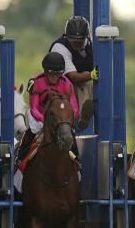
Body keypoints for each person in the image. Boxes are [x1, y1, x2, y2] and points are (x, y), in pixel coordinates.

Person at [14, 52, 80, 191]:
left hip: (59, 117)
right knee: (33, 129)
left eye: (58, 74)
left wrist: (65, 119)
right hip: (40, 116)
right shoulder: (36, 82)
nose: (55, 77)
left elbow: (74, 107)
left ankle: (76, 160)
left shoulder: (67, 84)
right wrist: (46, 120)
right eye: (51, 73)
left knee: (69, 132)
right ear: (45, 71)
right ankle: (21, 155)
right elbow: (34, 107)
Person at [49, 16, 96, 127]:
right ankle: (80, 115)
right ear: (67, 36)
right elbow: (73, 76)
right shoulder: (60, 47)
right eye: (73, 41)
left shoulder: (93, 42)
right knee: (85, 81)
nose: (76, 44)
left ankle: (89, 113)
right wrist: (92, 74)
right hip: (63, 84)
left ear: (86, 37)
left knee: (91, 82)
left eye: (80, 41)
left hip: (86, 82)